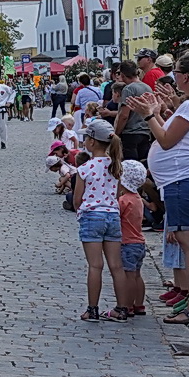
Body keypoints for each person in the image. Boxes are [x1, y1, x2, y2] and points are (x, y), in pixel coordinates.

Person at [129, 50, 189, 326]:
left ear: (187, 78)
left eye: (177, 75)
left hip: (186, 180)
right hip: (184, 180)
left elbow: (167, 140)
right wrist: (156, 113)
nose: (173, 79)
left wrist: (148, 116)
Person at [74, 119, 124, 322]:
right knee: (116, 266)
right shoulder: (117, 166)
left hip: (92, 216)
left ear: (92, 142)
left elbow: (78, 199)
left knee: (95, 266)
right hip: (112, 215)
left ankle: (92, 309)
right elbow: (119, 193)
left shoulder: (84, 168)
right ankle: (122, 308)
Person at [115, 160, 149, 318]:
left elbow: (116, 216)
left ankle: (127, 304)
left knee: (127, 275)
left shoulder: (123, 200)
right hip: (139, 242)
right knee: (137, 274)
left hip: (127, 243)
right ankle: (139, 304)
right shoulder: (137, 199)